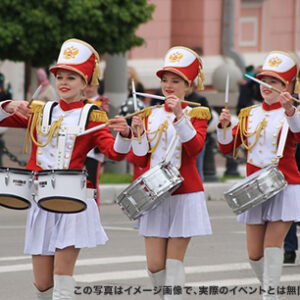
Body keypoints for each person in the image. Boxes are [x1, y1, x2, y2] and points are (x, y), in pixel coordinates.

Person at [0, 38, 132, 300]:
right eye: (60, 76)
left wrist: (126, 134)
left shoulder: (92, 115)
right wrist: (9, 105)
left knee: (62, 276)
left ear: (85, 82)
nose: (64, 82)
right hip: (41, 199)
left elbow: (114, 152)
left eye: (72, 77)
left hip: (73, 202)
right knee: (42, 284)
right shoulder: (40, 111)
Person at [217, 51, 300, 299]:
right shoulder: (248, 114)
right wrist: (223, 128)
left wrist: (290, 111)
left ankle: (269, 296)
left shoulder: (292, 114)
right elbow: (227, 148)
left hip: (284, 186)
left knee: (272, 246)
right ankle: (270, 291)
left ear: (286, 86)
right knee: (254, 254)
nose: (267, 86)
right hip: (254, 189)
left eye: (274, 82)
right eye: (265, 80)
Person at [131, 46, 212, 299]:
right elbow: (138, 158)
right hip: (154, 195)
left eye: (175, 80)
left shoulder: (196, 113)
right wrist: (136, 134)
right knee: (155, 264)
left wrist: (179, 116)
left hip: (184, 193)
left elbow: (195, 148)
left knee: (174, 262)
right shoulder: (148, 115)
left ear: (187, 85)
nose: (168, 85)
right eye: (165, 80)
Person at [84, 80, 110, 206]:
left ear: (97, 86)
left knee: (93, 183)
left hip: (94, 151)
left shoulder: (102, 101)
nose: (88, 89)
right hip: (80, 147)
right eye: (86, 85)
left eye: (91, 85)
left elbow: (103, 114)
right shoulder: (80, 100)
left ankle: (94, 214)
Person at [185, 80, 212, 180]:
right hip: (183, 136)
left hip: (196, 135)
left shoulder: (200, 99)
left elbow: (209, 116)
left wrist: (198, 127)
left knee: (197, 166)